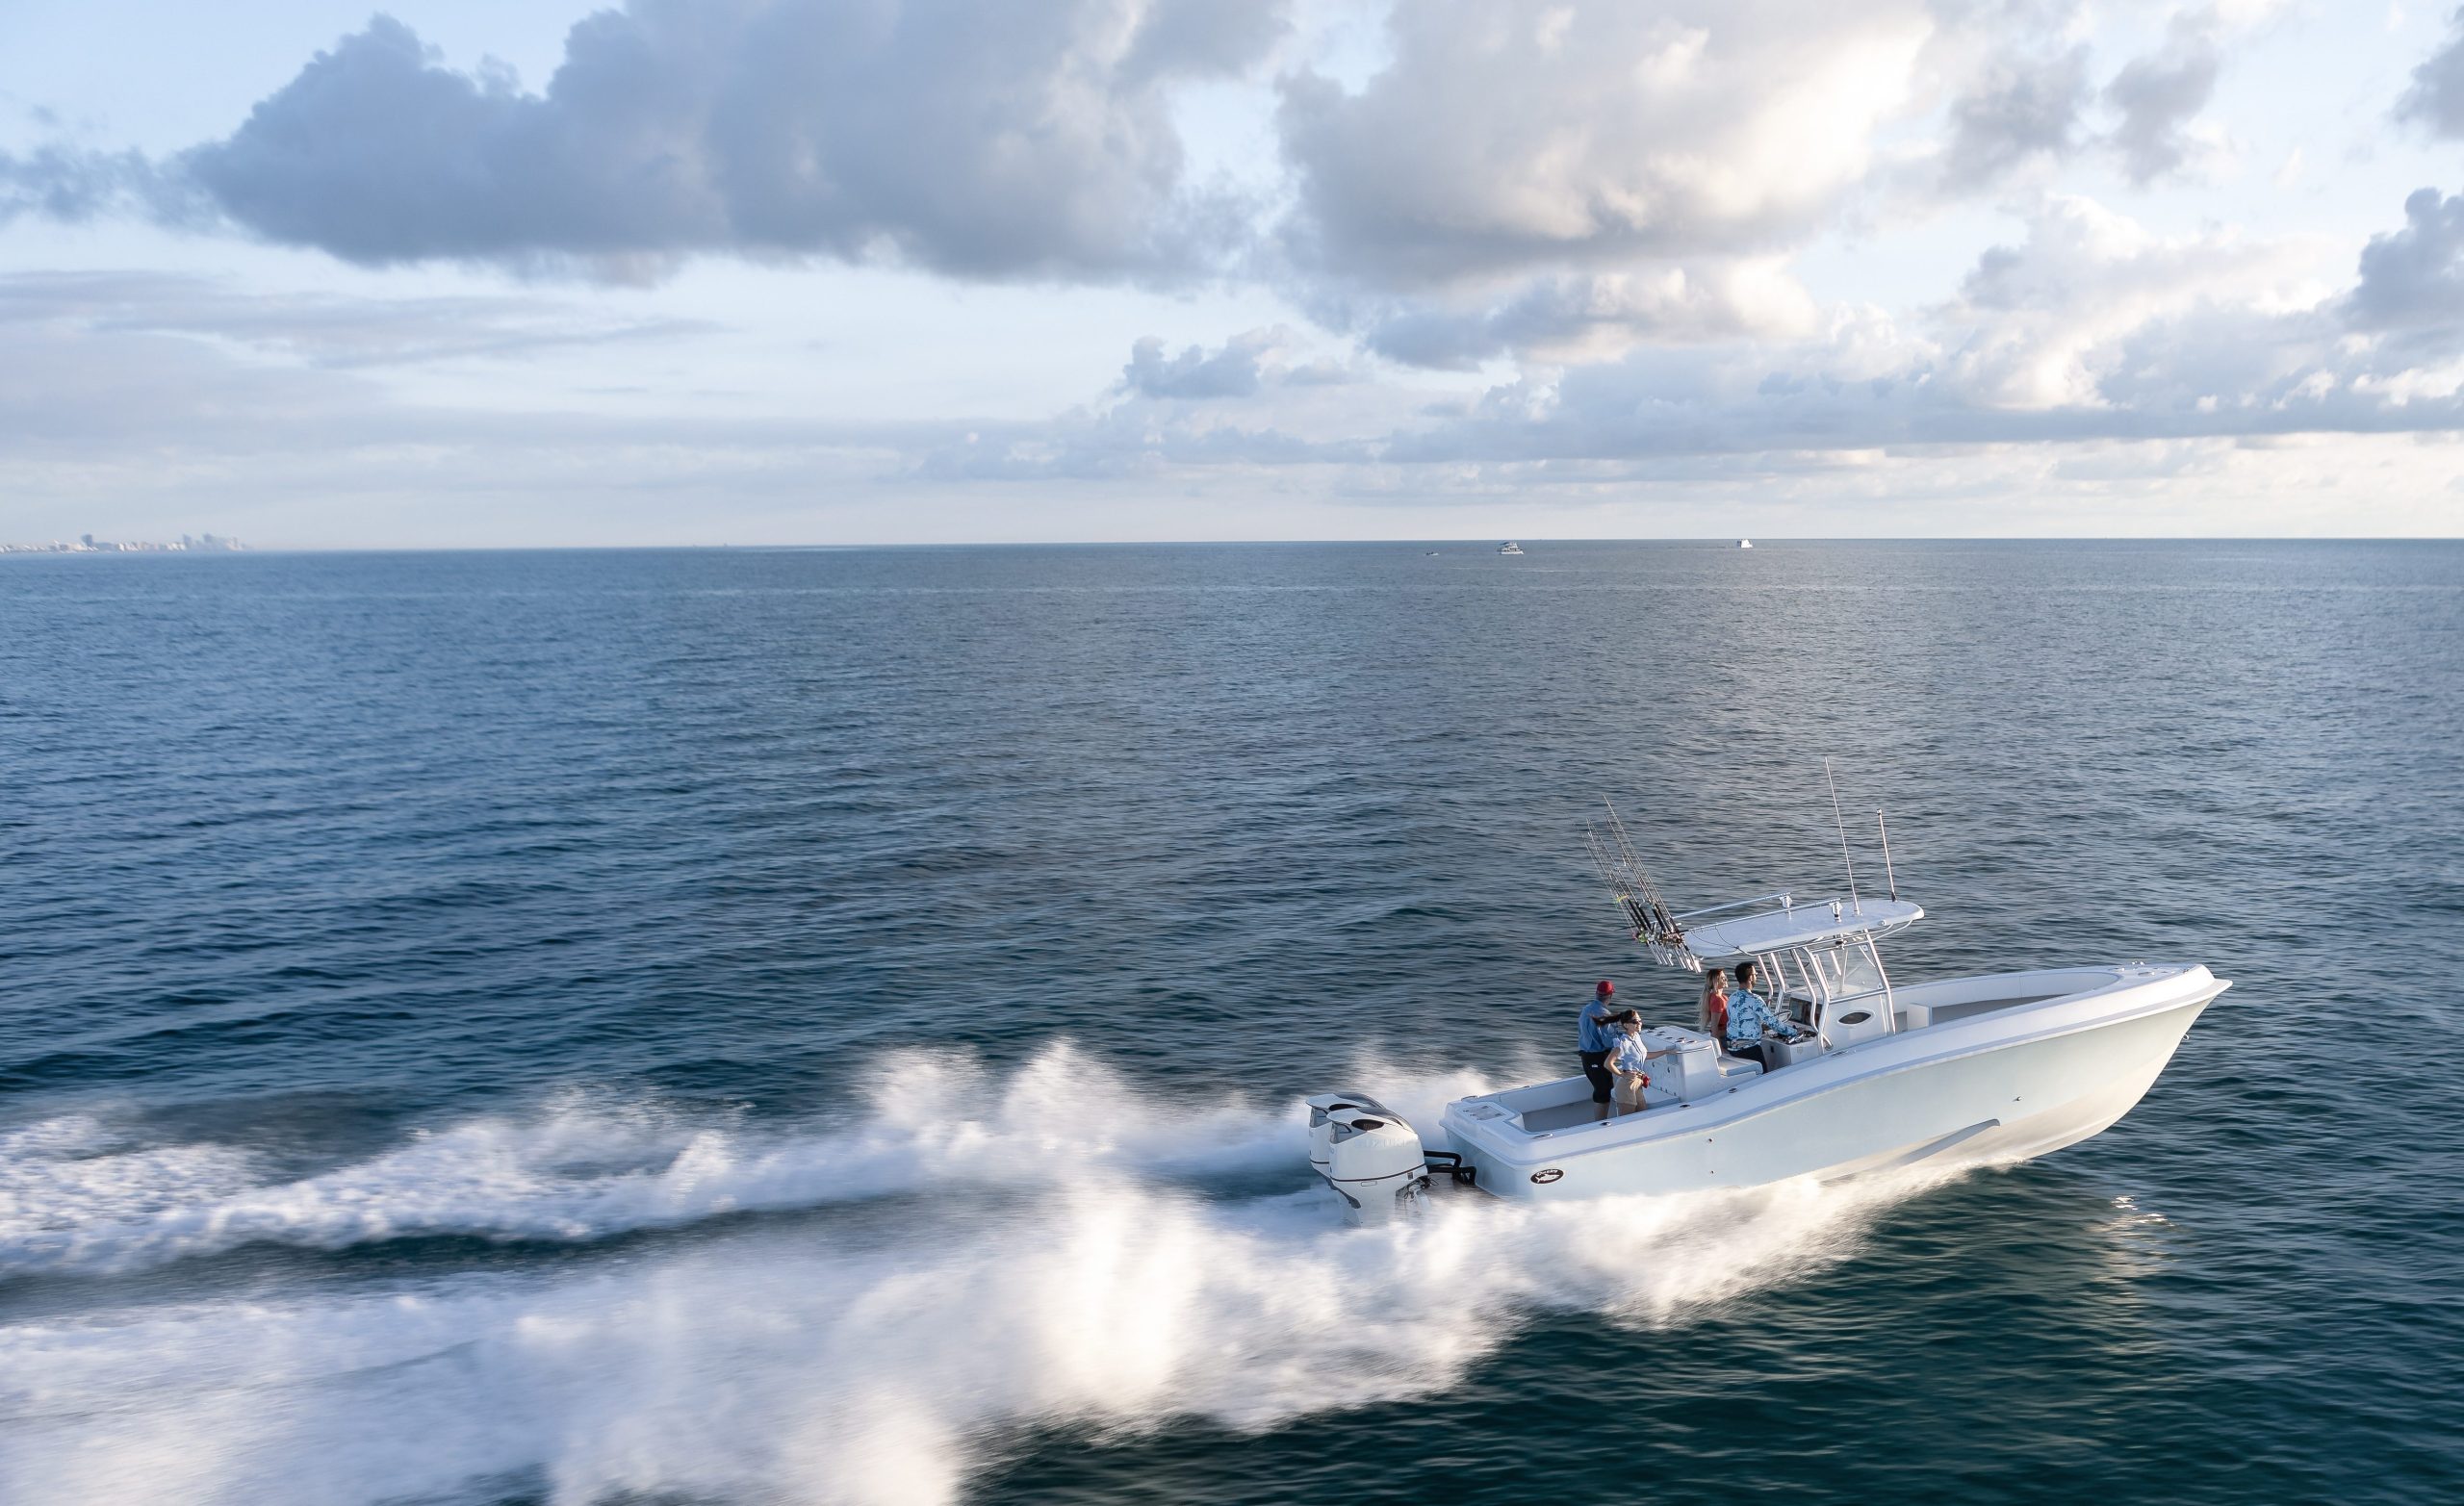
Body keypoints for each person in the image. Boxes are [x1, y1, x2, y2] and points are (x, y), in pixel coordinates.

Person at [1723, 958, 1797, 1068]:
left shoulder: (1732, 998)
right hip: (1748, 1049)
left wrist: (1760, 1027)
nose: (1756, 976)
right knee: (1765, 1074)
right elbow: (1773, 1023)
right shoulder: (1755, 999)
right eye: (1755, 974)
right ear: (1750, 977)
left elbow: (1740, 1022)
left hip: (1732, 1048)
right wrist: (1794, 1031)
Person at [1578, 980, 1621, 1119]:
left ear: (1596, 993)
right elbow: (1609, 1042)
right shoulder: (1604, 1015)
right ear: (1610, 996)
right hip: (1598, 1058)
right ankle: (1600, 1125)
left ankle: (1600, 1123)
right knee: (1603, 1092)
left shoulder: (1586, 1009)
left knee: (1601, 1090)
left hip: (1586, 1057)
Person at [1606, 1010, 1662, 1116]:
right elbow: (1608, 1063)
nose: (1639, 1023)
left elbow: (1645, 1055)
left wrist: (1666, 1052)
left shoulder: (1637, 1037)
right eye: (1635, 1022)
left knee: (1643, 1115)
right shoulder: (1623, 1042)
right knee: (1627, 1121)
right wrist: (1622, 1074)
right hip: (1627, 1085)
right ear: (1626, 1025)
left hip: (1638, 1081)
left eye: (1640, 1021)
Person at [1698, 967, 1731, 1038]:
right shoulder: (1718, 1000)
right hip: (1724, 1038)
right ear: (1716, 982)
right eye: (1723, 978)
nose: (1726, 979)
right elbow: (1714, 1028)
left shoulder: (1723, 997)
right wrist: (1719, 1045)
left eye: (1725, 977)